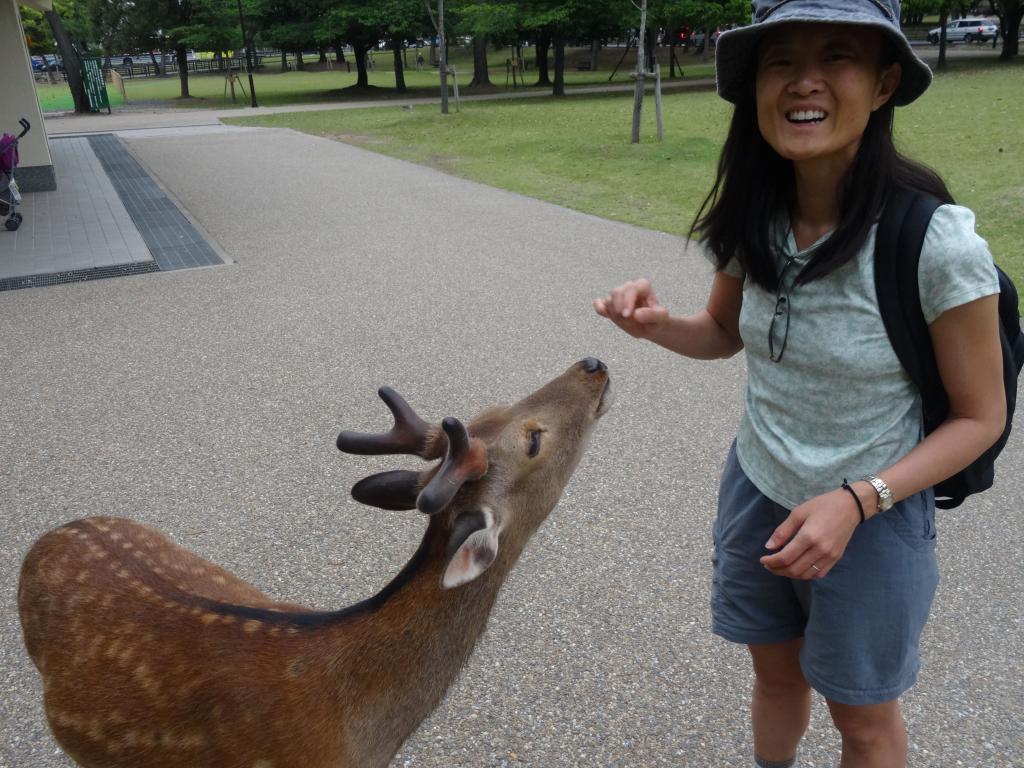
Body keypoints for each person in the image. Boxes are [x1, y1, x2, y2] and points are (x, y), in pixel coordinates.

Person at [594, 2, 1005, 767]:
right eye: (781, 61)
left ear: (884, 84)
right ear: (755, 87)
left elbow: (982, 418)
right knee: (776, 681)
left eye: (836, 56)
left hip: (873, 517)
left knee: (864, 722)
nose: (803, 82)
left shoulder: (936, 243)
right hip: (759, 487)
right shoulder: (757, 213)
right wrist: (657, 324)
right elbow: (722, 333)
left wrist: (858, 500)